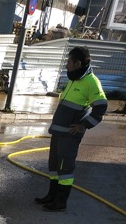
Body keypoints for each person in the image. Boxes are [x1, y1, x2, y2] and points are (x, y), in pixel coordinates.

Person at [35, 46, 107, 212]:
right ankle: (51, 196)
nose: (66, 65)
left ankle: (60, 202)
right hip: (59, 132)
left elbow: (101, 106)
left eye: (69, 62)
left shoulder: (91, 82)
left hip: (70, 135)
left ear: (78, 63)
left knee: (65, 169)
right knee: (54, 165)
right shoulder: (75, 79)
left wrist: (84, 125)